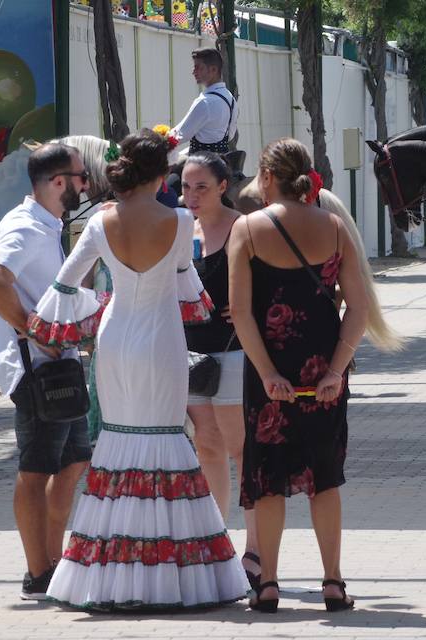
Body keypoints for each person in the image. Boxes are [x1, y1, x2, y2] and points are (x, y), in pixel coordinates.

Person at [28, 130, 249, 610]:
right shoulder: (178, 219)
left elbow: (64, 286)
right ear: (161, 172)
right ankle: (169, 575)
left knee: (117, 440)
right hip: (162, 339)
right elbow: (189, 290)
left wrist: (98, 308)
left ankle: (109, 576)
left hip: (115, 338)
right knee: (168, 438)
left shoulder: (101, 221)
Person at [228, 138, 368, 614]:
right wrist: (337, 369)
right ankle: (332, 583)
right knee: (324, 479)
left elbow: (242, 314)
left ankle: (267, 583)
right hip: (322, 369)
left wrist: (267, 373)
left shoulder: (246, 229)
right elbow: (359, 308)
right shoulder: (334, 226)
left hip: (271, 372)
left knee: (267, 477)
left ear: (267, 177)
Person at [0, 143, 92, 600]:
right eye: (81, 177)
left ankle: (52, 561)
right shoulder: (25, 227)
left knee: (72, 461)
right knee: (37, 469)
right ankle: (37, 572)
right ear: (59, 183)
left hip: (59, 367)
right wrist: (33, 329)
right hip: (36, 373)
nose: (86, 184)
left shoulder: (47, 225)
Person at [182, 152, 261, 591]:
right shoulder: (181, 228)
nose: (191, 196)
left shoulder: (243, 226)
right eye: (185, 186)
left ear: (223, 186)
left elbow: (269, 279)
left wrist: (250, 307)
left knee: (240, 448)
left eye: (201, 187)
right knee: (206, 446)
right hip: (191, 353)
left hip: (233, 352)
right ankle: (217, 543)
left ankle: (254, 549)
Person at [170, 48, 239, 154]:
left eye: (198, 67)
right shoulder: (231, 100)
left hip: (200, 164)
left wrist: (156, 139)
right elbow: (230, 135)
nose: (193, 72)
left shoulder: (205, 102)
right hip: (221, 162)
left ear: (213, 70)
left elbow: (179, 135)